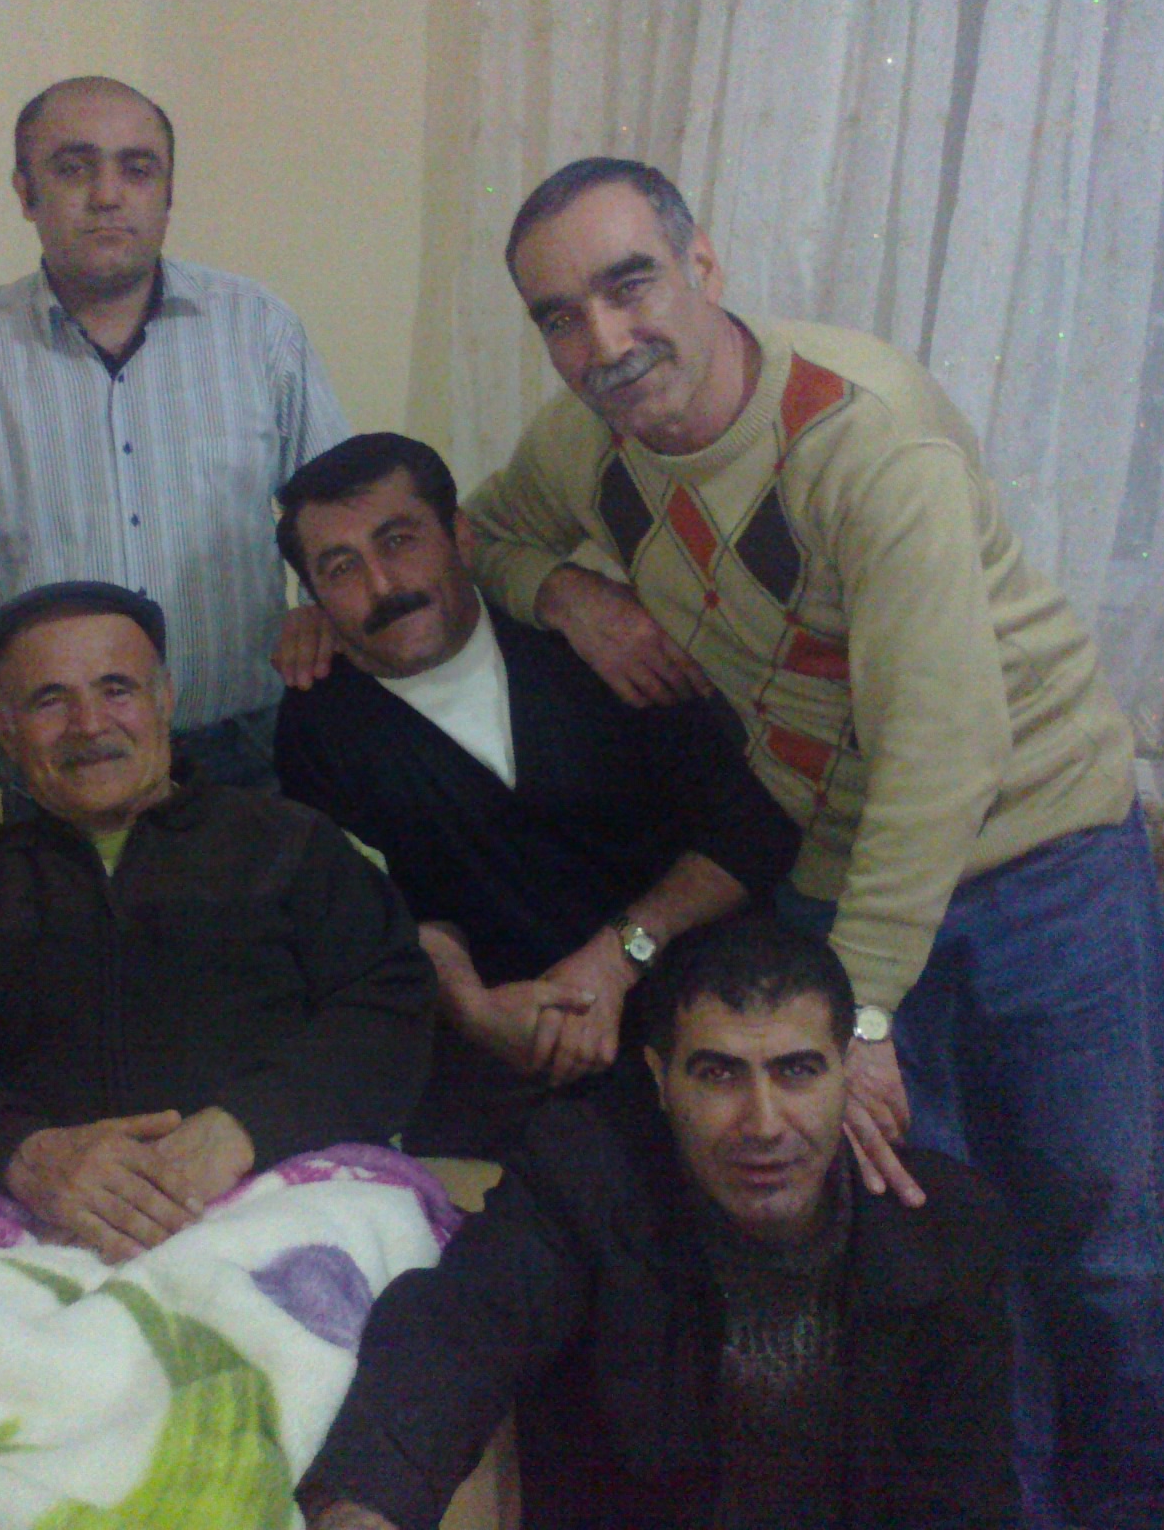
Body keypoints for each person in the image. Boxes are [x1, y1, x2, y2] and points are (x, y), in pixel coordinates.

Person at [424, 156, 1164, 1530]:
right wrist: (570, 596)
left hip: (1042, 855)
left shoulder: (863, 439)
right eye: (559, 316)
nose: (603, 340)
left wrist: (864, 1012)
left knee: (1106, 1250)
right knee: (936, 1248)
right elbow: (481, 533)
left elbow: (942, 751)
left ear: (704, 267)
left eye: (629, 285)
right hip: (842, 870)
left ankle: (1156, 1513)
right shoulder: (583, 445)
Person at [297, 916, 1019, 1530]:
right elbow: (459, 1334)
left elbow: (963, 1495)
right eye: (719, 1075)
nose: (764, 1123)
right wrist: (363, 1508)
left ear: (846, 1074)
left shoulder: (944, 1228)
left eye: (797, 1071)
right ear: (659, 1080)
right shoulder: (586, 1180)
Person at [0, 76, 346, 796]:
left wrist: (324, 607)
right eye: (75, 168)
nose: (107, 195)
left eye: (137, 169)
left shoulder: (258, 328)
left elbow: (337, 508)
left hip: (249, 753)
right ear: (25, 192)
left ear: (169, 192)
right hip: (59, 770)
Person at [0, 581, 433, 1263]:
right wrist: (29, 1156)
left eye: (117, 689)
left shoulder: (288, 843)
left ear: (164, 698)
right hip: (36, 1233)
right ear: (5, 726)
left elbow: (391, 1007)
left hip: (282, 1206)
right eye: (50, 700)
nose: (89, 725)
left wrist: (243, 1128)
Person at [271, 432, 798, 1156]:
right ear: (313, 596)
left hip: (702, 1008)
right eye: (341, 567)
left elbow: (753, 829)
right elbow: (384, 910)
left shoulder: (591, 640)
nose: (383, 585)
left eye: (399, 540)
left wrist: (619, 957)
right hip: (508, 1055)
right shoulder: (318, 724)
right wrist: (472, 1007)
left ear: (461, 535)